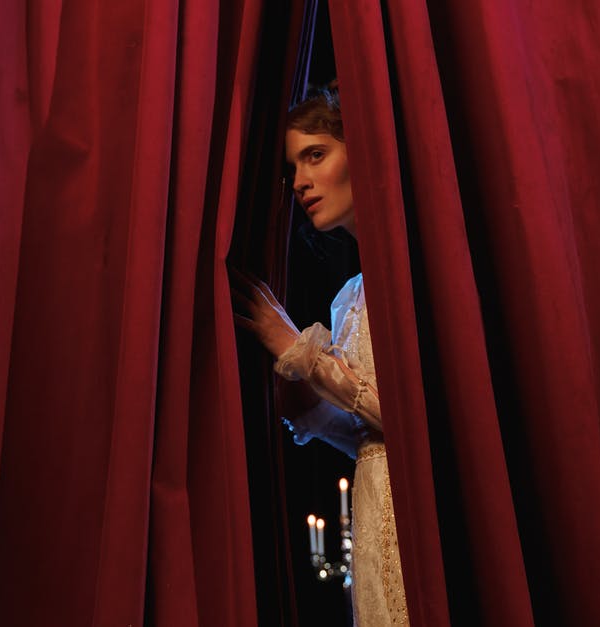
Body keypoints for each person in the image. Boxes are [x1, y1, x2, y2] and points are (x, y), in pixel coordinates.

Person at [231, 85, 409, 626]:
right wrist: (301, 394)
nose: (301, 183)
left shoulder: (408, 275)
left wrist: (300, 351)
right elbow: (367, 436)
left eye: (316, 155)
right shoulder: (348, 297)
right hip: (373, 501)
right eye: (294, 168)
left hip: (416, 514)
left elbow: (412, 424)